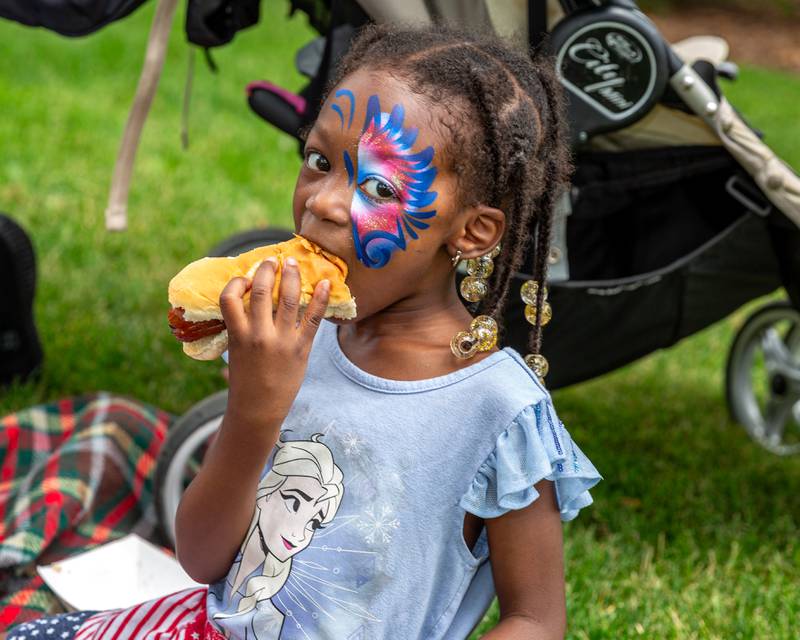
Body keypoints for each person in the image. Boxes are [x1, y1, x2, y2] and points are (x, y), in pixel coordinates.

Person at [4, 22, 601, 640]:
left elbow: (536, 619)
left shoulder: (498, 411)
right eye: (319, 162)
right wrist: (252, 414)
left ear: (472, 232)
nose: (321, 202)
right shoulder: (301, 339)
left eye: (376, 186)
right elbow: (203, 558)